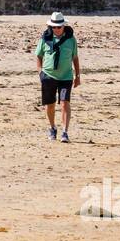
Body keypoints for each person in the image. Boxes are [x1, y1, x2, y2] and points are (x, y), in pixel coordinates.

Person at [35, 12, 80, 143]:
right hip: (48, 76)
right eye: (53, 27)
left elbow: (75, 58)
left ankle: (65, 132)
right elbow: (38, 56)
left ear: (64, 26)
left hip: (66, 77)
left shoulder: (71, 40)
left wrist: (77, 75)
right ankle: (52, 128)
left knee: (65, 103)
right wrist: (40, 72)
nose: (56, 29)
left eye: (58, 27)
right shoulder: (45, 39)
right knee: (50, 105)